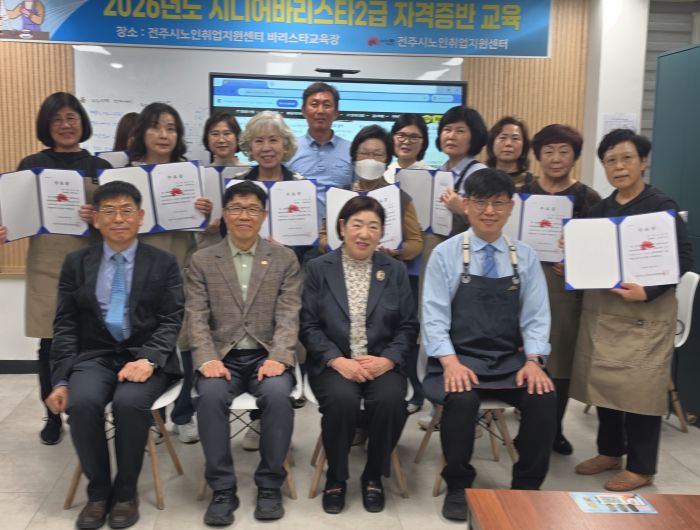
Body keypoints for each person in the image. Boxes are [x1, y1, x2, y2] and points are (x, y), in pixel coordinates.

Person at [45, 180, 184, 530]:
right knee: (82, 403)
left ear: (140, 217)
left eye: (126, 211)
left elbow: (172, 319)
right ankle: (98, 493)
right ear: (95, 219)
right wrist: (60, 380)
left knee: (128, 403)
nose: (118, 219)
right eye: (108, 211)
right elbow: (65, 325)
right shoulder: (76, 263)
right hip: (96, 355)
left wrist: (148, 359)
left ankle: (125, 494)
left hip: (145, 356)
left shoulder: (164, 262)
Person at [421, 168, 557, 521]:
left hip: (510, 360)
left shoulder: (524, 256)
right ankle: (458, 484)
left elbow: (536, 315)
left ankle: (527, 487)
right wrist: (450, 362)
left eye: (499, 203)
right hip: (457, 358)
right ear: (466, 205)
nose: (490, 211)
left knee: (544, 397)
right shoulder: (445, 254)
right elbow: (433, 316)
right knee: (462, 399)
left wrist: (534, 360)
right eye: (481, 202)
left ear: (511, 207)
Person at [571, 129, 693, 491]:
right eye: (610, 160)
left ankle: (642, 467)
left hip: (646, 314)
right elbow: (589, 259)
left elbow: (683, 258)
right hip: (606, 312)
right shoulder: (598, 211)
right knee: (606, 384)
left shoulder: (661, 207)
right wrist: (572, 255)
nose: (619, 167)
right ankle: (610, 452)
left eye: (626, 158)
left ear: (643, 162)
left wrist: (648, 291)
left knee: (642, 390)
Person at [0, 91, 112, 445]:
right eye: (57, 119)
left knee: (93, 343)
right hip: (47, 266)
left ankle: (88, 409)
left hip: (93, 268)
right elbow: (13, 214)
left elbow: (119, 222)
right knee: (50, 345)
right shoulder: (30, 165)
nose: (65, 125)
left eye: (71, 118)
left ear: (82, 122)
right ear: (46, 126)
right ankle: (51, 415)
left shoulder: (100, 168)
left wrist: (98, 218)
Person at [187, 181, 301, 525]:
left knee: (278, 396)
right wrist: (207, 358)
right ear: (224, 214)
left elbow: (289, 314)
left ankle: (269, 484)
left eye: (252, 209)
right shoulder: (202, 260)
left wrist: (279, 357)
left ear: (264, 215)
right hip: (222, 357)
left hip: (267, 354)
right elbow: (196, 316)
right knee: (209, 397)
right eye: (236, 208)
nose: (244, 216)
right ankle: (222, 488)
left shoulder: (284, 258)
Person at [301, 196, 419, 515]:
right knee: (342, 400)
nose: (364, 233)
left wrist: (388, 360)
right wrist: (337, 360)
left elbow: (408, 326)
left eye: (373, 227)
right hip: (334, 363)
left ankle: (373, 475)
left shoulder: (394, 270)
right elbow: (308, 325)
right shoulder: (318, 269)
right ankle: (336, 477)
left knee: (391, 401)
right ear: (342, 227)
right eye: (357, 225)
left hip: (382, 362)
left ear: (381, 233)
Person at [129, 102, 213, 444]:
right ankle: (153, 416)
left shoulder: (189, 173)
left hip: (181, 264)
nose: (163, 135)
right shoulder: (127, 174)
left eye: (171, 128)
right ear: (142, 132)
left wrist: (204, 212)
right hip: (139, 270)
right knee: (146, 340)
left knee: (185, 341)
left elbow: (204, 227)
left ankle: (183, 413)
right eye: (156, 127)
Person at [521, 124, 601, 455]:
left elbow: (599, 252)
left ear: (575, 157)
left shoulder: (589, 199)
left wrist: (576, 266)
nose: (556, 158)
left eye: (564, 152)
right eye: (549, 151)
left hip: (565, 291)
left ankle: (554, 429)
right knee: (525, 355)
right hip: (524, 284)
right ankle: (527, 429)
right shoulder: (522, 194)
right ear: (538, 156)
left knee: (560, 363)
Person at [236, 110, 305, 449]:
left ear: (285, 144)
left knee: (283, 338)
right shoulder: (239, 185)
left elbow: (309, 235)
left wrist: (288, 246)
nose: (266, 147)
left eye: (273, 140)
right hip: (247, 276)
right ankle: (257, 419)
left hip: (288, 273)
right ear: (249, 146)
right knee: (255, 339)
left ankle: (278, 415)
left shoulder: (299, 184)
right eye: (259, 141)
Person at [287, 81, 353, 221]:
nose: (320, 111)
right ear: (303, 110)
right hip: (297, 229)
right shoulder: (289, 149)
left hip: (340, 231)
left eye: (327, 105)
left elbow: (360, 192)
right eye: (314, 104)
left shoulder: (351, 150)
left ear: (336, 113)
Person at [437, 105, 488, 231]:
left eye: (460, 131)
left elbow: (489, 218)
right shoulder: (439, 172)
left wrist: (463, 209)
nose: (451, 136)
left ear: (474, 137)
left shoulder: (481, 173)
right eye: (447, 129)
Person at [486, 116, 534, 191]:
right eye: (503, 137)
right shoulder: (481, 179)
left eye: (515, 138)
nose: (508, 143)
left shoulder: (533, 183)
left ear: (524, 145)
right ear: (492, 143)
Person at [384, 113, 432, 183]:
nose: (406, 142)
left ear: (423, 142)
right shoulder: (384, 174)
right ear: (392, 138)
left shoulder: (434, 177)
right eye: (401, 135)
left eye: (414, 137)